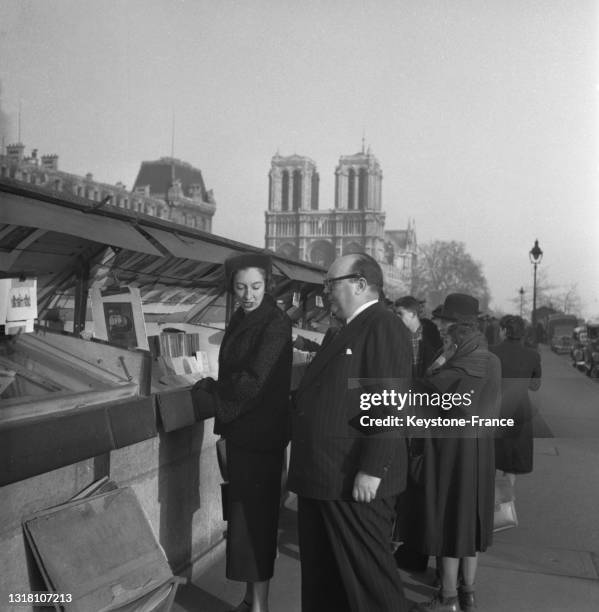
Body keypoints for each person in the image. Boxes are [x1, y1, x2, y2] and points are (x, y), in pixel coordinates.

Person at [287, 253, 412, 612]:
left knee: (371, 587)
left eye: (331, 284)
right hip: (325, 477)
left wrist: (372, 468)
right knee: (327, 583)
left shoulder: (383, 325)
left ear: (359, 285)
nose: (325, 293)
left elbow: (389, 403)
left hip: (352, 480)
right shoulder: (346, 328)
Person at [191, 253, 292, 612]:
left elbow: (252, 383)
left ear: (268, 285)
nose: (248, 294)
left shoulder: (274, 323)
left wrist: (214, 393)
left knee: (256, 521)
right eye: (240, 287)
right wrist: (216, 385)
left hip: (259, 439)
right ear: (231, 288)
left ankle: (258, 605)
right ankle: (252, 598)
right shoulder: (244, 317)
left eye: (256, 287)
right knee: (247, 520)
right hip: (247, 435)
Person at [407, 294, 501, 612]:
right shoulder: (491, 359)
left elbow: (426, 396)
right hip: (480, 450)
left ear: (456, 328)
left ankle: (447, 598)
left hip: (451, 451)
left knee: (448, 520)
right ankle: (468, 594)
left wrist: (435, 367)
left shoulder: (456, 362)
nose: (441, 329)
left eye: (445, 324)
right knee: (469, 523)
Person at [491, 315, 542, 485]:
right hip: (520, 410)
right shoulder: (533, 356)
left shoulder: (491, 352)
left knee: (490, 458)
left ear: (504, 331)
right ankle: (507, 504)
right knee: (512, 464)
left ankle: (485, 502)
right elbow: (535, 386)